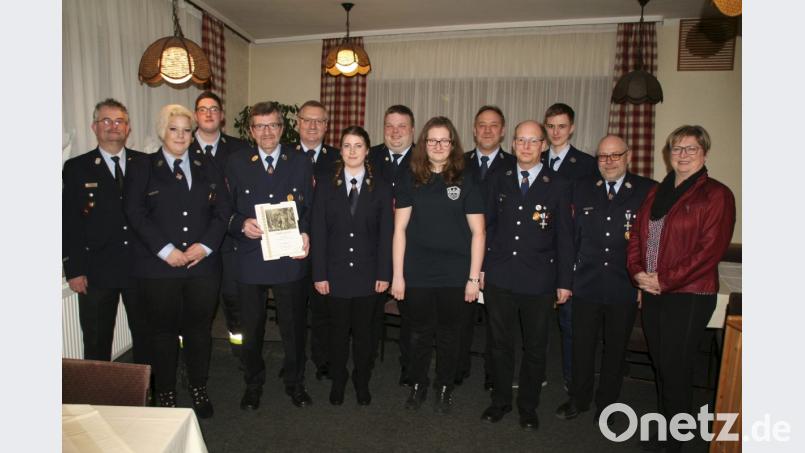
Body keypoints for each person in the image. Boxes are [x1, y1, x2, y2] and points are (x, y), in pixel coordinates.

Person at [627, 125, 735, 452]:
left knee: (676, 366)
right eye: (677, 148)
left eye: (691, 148)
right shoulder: (658, 191)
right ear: (668, 153)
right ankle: (666, 426)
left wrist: (664, 279)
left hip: (689, 293)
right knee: (661, 361)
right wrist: (637, 273)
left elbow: (709, 251)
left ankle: (676, 438)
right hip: (654, 290)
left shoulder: (716, 194)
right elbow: (636, 237)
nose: (683, 155)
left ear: (704, 153)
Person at [124, 104, 230, 418]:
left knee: (199, 330)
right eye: (174, 129)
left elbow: (222, 211)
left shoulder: (206, 165)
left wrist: (207, 246)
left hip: (202, 267)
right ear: (162, 132)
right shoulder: (143, 166)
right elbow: (134, 213)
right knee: (163, 333)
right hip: (158, 268)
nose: (181, 135)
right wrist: (166, 249)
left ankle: (198, 386)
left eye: (186, 129)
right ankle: (166, 392)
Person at [554, 135, 655, 423]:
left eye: (615, 155)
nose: (609, 162)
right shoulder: (582, 188)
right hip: (585, 282)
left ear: (628, 156)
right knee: (582, 344)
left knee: (615, 348)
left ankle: (608, 403)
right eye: (602, 156)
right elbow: (569, 237)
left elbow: (653, 239)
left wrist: (643, 281)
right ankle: (579, 398)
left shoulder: (647, 190)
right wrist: (566, 278)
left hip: (625, 283)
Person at [481, 120, 573, 431]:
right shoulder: (499, 179)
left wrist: (564, 282)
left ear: (544, 145)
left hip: (539, 280)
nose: (526, 146)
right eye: (521, 140)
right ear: (513, 143)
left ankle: (528, 406)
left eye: (533, 141)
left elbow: (564, 237)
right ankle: (500, 401)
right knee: (499, 344)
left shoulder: (557, 184)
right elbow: (488, 227)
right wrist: (482, 268)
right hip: (500, 276)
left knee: (535, 347)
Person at [390, 116, 485, 414]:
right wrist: (398, 275)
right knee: (418, 332)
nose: (438, 146)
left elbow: (479, 232)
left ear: (453, 144)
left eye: (445, 140)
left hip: (456, 274)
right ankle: (417, 383)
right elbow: (400, 230)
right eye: (432, 140)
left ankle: (444, 385)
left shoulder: (466, 179)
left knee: (449, 334)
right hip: (417, 271)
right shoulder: (411, 177)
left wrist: (473, 279)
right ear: (423, 144)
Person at [225, 101, 314, 410]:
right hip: (251, 257)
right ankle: (253, 382)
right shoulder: (236, 162)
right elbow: (225, 209)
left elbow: (311, 206)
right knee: (252, 328)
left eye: (273, 125)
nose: (267, 132)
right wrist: (239, 224)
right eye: (260, 126)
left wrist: (306, 232)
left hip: (290, 257)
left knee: (293, 326)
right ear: (251, 131)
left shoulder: (300, 162)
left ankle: (295, 382)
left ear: (282, 128)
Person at [311, 126, 393, 406]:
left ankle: (361, 379)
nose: (352, 151)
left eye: (358, 146)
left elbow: (386, 235)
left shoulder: (381, 186)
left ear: (367, 151)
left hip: (369, 275)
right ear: (341, 150)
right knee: (336, 333)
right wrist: (319, 274)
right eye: (347, 146)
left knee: (365, 335)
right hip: (334, 274)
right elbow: (318, 232)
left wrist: (385, 273)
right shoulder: (324, 184)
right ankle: (338, 379)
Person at [62, 98, 148, 363]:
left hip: (140, 268)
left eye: (119, 121)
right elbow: (69, 221)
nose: (113, 126)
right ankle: (98, 398)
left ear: (128, 128)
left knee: (146, 336)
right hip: (97, 269)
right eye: (106, 121)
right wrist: (74, 269)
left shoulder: (145, 164)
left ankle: (150, 395)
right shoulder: (77, 167)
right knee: (97, 341)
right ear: (94, 127)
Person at [542, 102, 597, 393]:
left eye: (561, 126)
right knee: (536, 321)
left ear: (571, 128)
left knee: (570, 323)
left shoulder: (587, 164)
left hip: (571, 253)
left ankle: (571, 379)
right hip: (537, 253)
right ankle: (534, 373)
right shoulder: (532, 157)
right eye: (550, 126)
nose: (555, 132)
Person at [459, 105, 515, 390]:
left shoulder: (515, 165)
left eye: (494, 125)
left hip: (497, 255)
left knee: (497, 323)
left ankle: (494, 376)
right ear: (474, 129)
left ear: (503, 130)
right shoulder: (458, 162)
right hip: (459, 252)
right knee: (460, 319)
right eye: (482, 124)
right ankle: (458, 369)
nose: (487, 130)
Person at [190, 91, 249, 361]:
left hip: (231, 242)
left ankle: (241, 355)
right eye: (203, 109)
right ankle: (189, 358)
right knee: (195, 307)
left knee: (235, 302)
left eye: (214, 109)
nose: (209, 113)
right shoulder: (182, 147)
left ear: (222, 115)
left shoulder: (240, 149)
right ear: (195, 116)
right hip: (195, 243)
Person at [367, 104, 416, 386]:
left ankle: (409, 367)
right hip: (374, 250)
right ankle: (368, 360)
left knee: (411, 314)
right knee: (372, 312)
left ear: (412, 129)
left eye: (401, 126)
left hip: (412, 251)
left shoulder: (425, 158)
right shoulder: (369, 156)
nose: (395, 132)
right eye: (389, 126)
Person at [294, 100, 339, 381]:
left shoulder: (340, 158)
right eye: (307, 120)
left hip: (326, 248)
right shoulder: (283, 156)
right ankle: (294, 362)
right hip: (292, 248)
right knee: (294, 310)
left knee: (324, 311)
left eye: (318, 121)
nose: (312, 126)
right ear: (297, 122)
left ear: (326, 125)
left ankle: (323, 360)